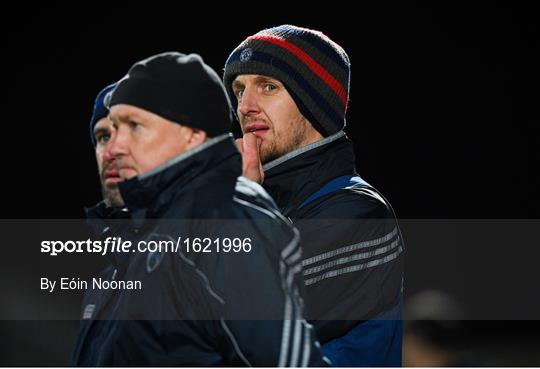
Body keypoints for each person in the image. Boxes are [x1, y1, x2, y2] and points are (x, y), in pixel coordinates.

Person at [71, 52, 328, 366]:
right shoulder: (145, 243)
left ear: (192, 134)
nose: (115, 148)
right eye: (109, 132)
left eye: (135, 127)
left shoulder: (223, 217)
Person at [223, 25, 404, 366]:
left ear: (314, 101)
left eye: (268, 86)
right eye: (238, 90)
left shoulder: (357, 212)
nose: (245, 106)